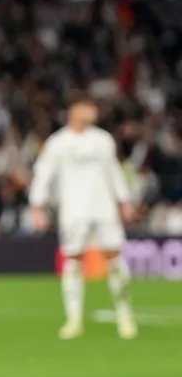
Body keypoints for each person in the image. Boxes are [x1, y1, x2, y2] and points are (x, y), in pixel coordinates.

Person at [29, 90, 137, 340]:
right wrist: (37, 206)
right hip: (73, 210)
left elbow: (114, 173)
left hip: (104, 209)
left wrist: (124, 202)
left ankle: (125, 315)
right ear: (74, 110)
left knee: (115, 259)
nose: (94, 113)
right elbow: (44, 174)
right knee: (73, 262)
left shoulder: (103, 140)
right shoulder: (58, 143)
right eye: (88, 107)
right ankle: (74, 319)